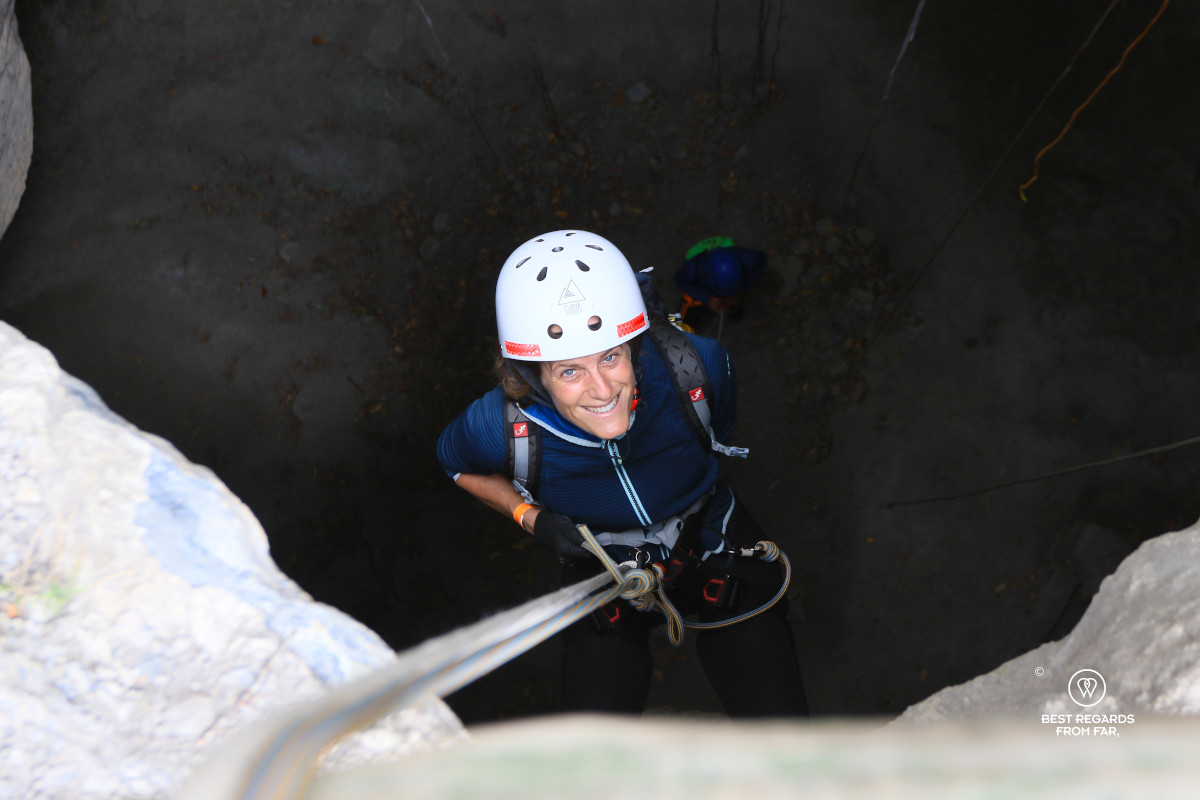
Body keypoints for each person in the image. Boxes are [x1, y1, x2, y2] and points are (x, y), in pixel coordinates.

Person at [437, 229, 806, 717]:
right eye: (569, 371)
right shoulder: (499, 427)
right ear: (531, 376)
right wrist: (529, 516)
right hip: (601, 563)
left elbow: (717, 430)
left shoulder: (696, 370)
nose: (601, 389)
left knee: (781, 732)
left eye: (610, 356)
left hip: (712, 539)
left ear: (633, 343)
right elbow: (454, 465)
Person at [674, 237, 767, 325]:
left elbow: (761, 260)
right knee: (689, 301)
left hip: (732, 285)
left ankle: (732, 308)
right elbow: (680, 280)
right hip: (705, 285)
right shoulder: (691, 270)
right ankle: (680, 325)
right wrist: (707, 298)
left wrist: (743, 288)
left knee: (731, 299)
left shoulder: (749, 258)